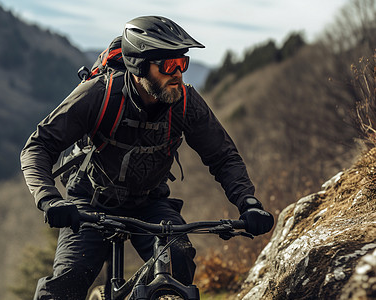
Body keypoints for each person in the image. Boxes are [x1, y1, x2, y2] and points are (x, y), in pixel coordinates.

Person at [20, 15, 274, 300]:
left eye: (183, 64)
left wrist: (248, 203)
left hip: (150, 202)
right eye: (168, 65)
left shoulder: (186, 102)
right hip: (90, 202)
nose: (178, 74)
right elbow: (38, 146)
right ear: (139, 66)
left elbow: (223, 157)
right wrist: (49, 199)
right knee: (65, 287)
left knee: (178, 263)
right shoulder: (99, 95)